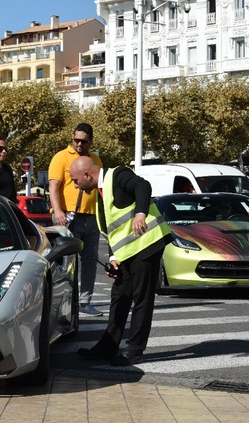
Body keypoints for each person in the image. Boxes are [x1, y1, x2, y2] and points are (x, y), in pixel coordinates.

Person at [70, 156, 172, 366]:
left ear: (87, 175)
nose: (75, 185)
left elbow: (142, 185)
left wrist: (140, 213)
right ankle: (108, 346)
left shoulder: (117, 175)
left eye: (75, 180)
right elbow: (113, 231)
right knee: (120, 295)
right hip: (128, 251)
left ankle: (134, 350)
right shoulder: (100, 194)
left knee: (141, 297)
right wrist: (114, 258)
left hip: (147, 243)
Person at [48, 123, 103, 316]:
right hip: (68, 216)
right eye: (76, 140)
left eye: (84, 141)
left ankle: (85, 302)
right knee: (64, 262)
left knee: (90, 261)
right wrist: (58, 211)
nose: (79, 144)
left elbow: (100, 189)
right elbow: (54, 186)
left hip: (91, 217)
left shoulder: (95, 159)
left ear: (90, 141)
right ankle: (61, 304)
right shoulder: (61, 157)